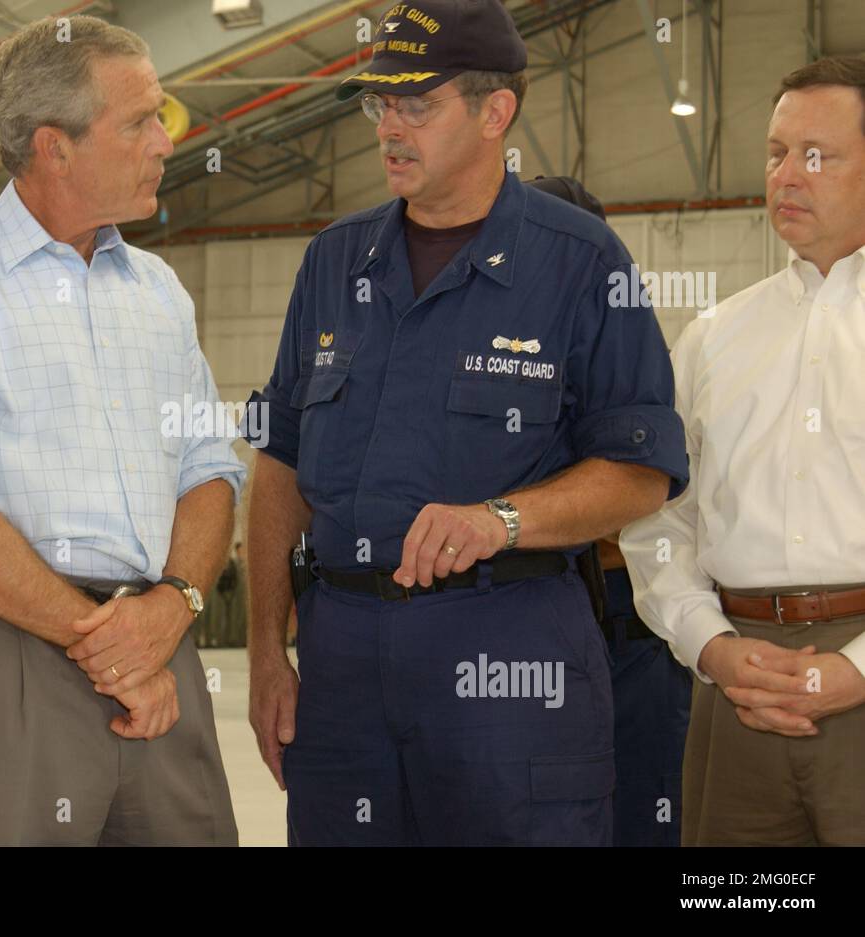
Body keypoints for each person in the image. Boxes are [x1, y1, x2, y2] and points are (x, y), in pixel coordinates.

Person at [244, 0, 688, 846]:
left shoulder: (582, 262)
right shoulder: (334, 262)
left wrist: (502, 519)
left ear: (495, 113)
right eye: (380, 104)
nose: (389, 129)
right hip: (341, 668)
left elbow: (641, 466)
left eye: (417, 104)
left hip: (507, 655)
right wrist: (268, 651)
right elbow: (280, 463)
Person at [0, 15, 243, 846]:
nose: (165, 143)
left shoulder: (159, 291)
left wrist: (171, 610)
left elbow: (209, 469)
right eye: (140, 120)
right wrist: (109, 646)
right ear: (52, 148)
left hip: (159, 639)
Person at [620, 55, 865, 846]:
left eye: (817, 155)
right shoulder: (713, 339)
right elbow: (662, 521)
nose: (788, 174)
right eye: (775, 152)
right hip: (737, 690)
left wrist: (858, 666)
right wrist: (711, 644)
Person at [527, 174, 693, 847]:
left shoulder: (636, 354)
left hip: (633, 618)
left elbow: (662, 493)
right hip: (532, 621)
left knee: (645, 810)